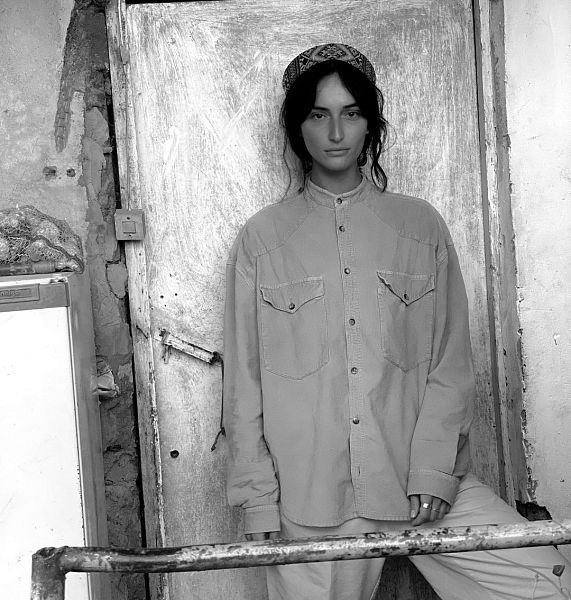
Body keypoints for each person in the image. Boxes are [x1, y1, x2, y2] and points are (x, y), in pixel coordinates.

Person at [223, 43, 571, 600]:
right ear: (297, 128)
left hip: (421, 485)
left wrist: (433, 472)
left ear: (370, 124)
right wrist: (257, 498)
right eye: (318, 115)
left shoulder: (419, 227)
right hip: (311, 503)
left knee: (547, 583)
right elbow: (244, 383)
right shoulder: (263, 240)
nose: (336, 132)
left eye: (351, 113)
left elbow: (450, 362)